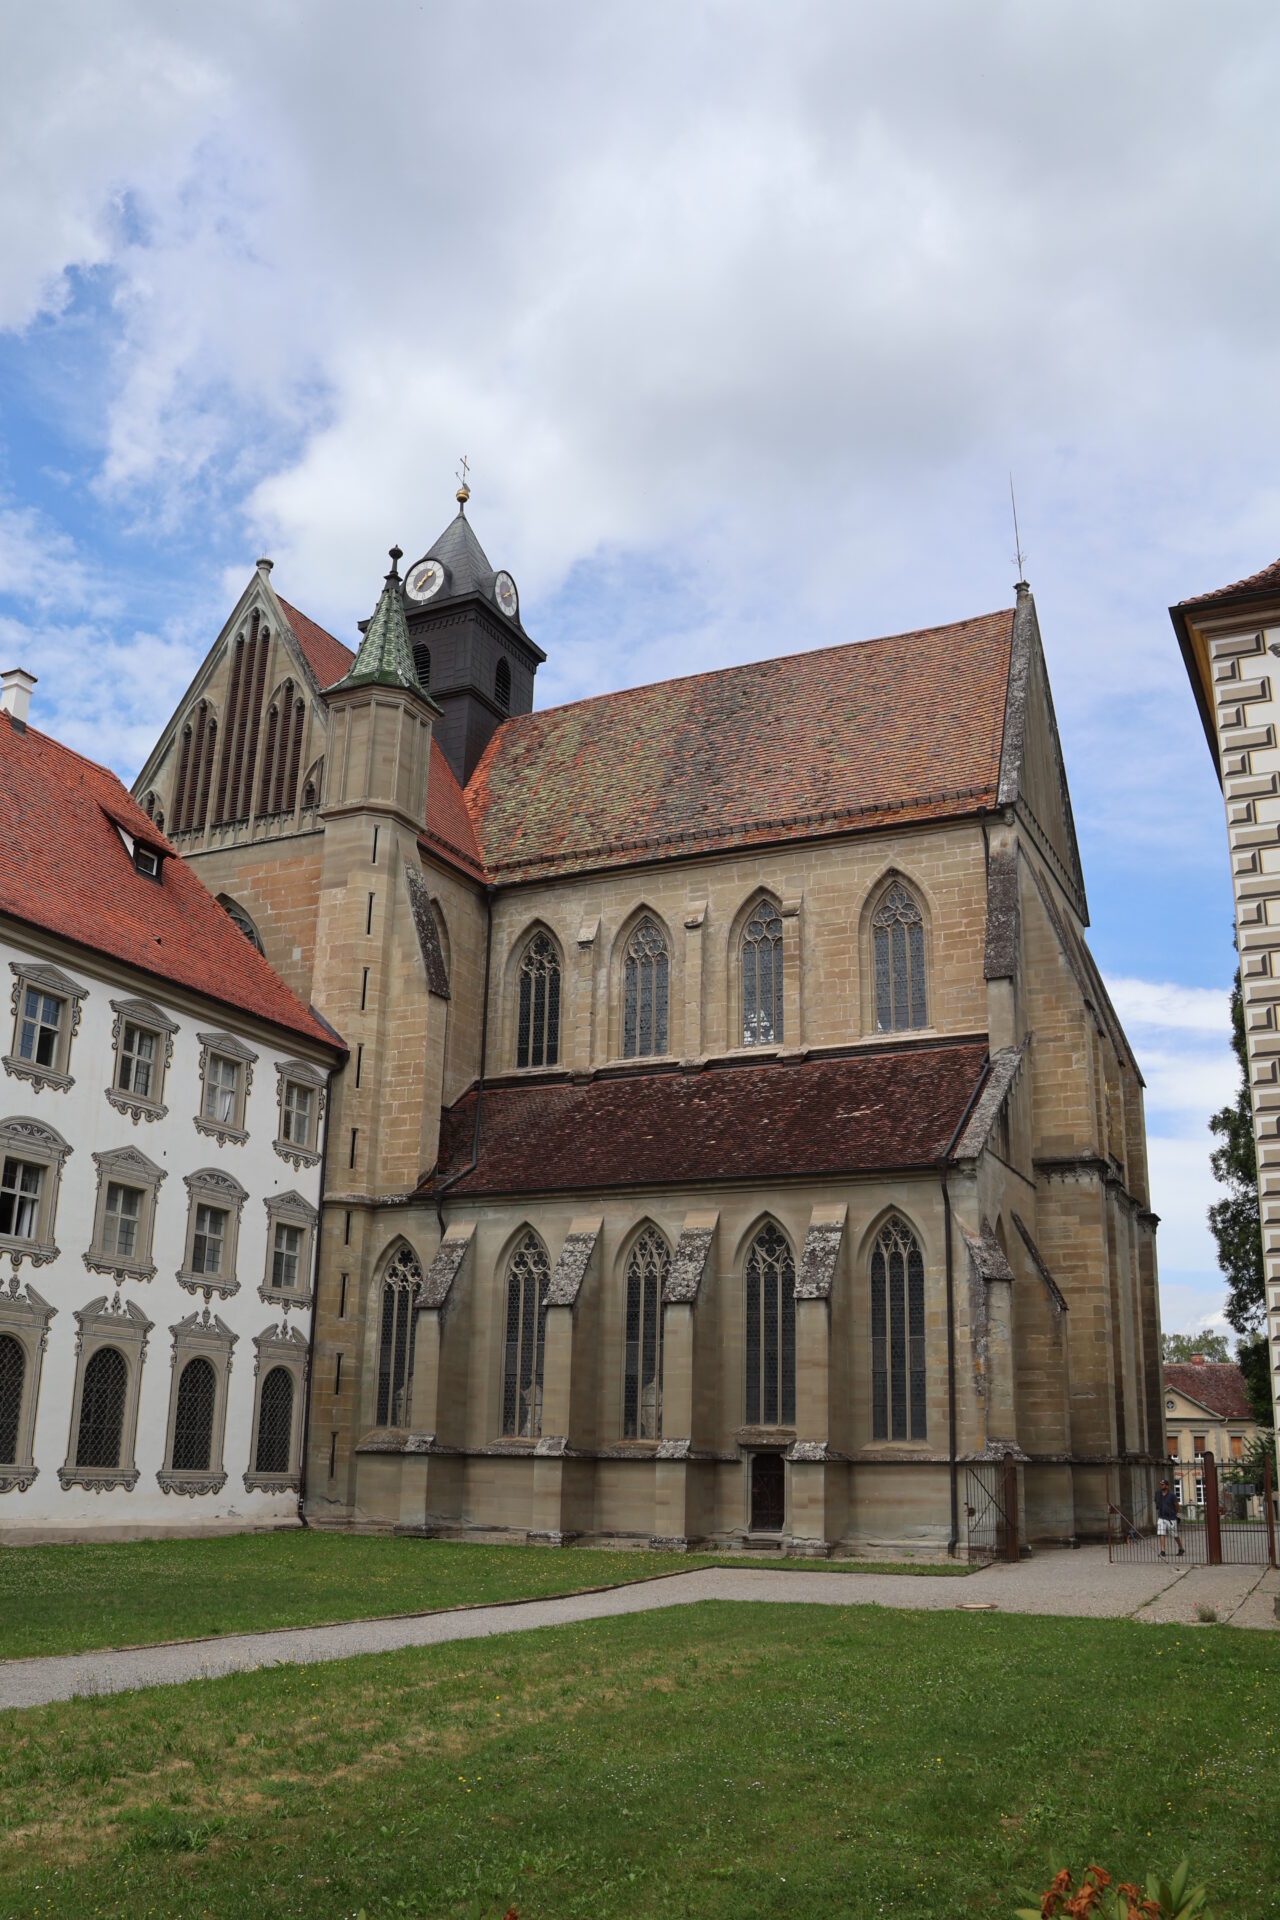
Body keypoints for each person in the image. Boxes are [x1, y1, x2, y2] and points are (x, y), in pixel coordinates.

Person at [1155, 1477, 1184, 1558]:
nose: (1161, 1486)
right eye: (1160, 1484)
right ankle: (1163, 1551)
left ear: (1167, 1486)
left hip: (1171, 1518)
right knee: (1161, 1533)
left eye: (1163, 1484)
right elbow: (1156, 1502)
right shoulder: (1158, 1494)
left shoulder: (1172, 1495)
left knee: (1174, 1535)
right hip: (1161, 1517)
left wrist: (1174, 1513)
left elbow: (1176, 1505)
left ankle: (1181, 1548)